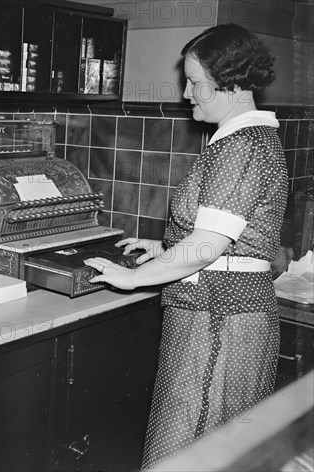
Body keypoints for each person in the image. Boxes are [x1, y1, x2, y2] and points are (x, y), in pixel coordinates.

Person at [84, 24, 288, 469]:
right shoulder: (244, 140)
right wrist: (166, 246)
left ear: (228, 82)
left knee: (190, 448)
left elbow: (208, 248)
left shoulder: (241, 145)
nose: (186, 93)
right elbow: (231, 240)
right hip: (218, 312)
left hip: (218, 322)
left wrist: (132, 277)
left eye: (195, 82)